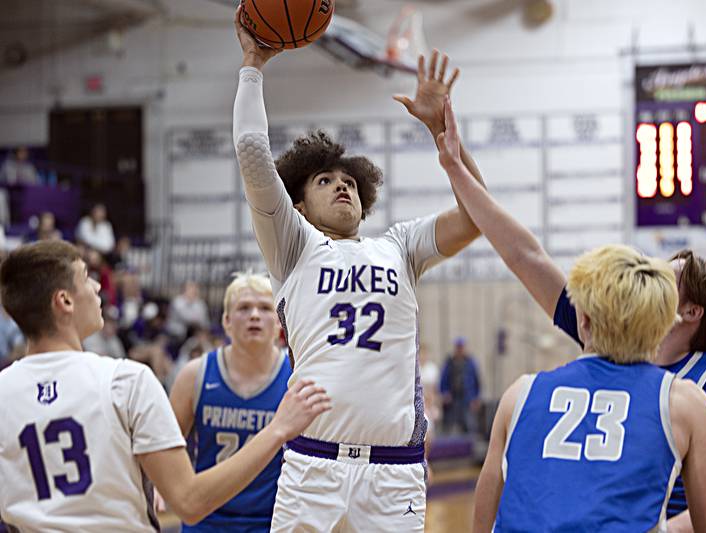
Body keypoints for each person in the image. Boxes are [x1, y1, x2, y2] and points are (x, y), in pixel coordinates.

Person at [435, 97, 706, 532]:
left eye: (668, 273)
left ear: (688, 312)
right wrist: (454, 164)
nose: (654, 270)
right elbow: (524, 255)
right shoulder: (611, 329)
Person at [232, 6, 484, 530]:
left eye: (347, 180)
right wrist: (254, 64)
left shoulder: (399, 245)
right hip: (313, 466)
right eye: (323, 181)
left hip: (394, 477)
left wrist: (445, 139)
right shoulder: (293, 245)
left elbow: (476, 216)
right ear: (297, 205)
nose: (341, 184)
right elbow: (253, 151)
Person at [0, 240, 330, 531]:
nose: (99, 287)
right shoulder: (127, 380)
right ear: (65, 301)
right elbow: (188, 500)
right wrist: (277, 430)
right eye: (87, 277)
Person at [166, 272, 291, 531]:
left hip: (271, 521)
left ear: (280, 322)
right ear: (226, 321)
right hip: (206, 519)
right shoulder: (195, 375)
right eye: (244, 308)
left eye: (265, 308)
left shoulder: (294, 378)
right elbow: (163, 450)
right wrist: (159, 485)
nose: (254, 315)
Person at [439, 336, 481, 435]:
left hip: (467, 399)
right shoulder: (449, 362)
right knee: (448, 426)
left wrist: (476, 398)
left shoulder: (471, 362)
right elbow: (443, 380)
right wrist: (445, 393)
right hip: (452, 400)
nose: (459, 349)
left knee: (469, 425)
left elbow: (477, 382)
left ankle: (470, 447)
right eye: (458, 347)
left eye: (461, 347)